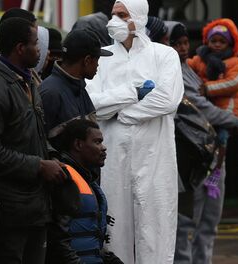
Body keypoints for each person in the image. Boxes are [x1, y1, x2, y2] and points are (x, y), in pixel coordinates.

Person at [84, 0, 184, 263]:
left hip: (154, 157)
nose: (114, 20)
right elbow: (92, 103)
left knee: (156, 229)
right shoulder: (103, 58)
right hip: (113, 156)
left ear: (138, 17)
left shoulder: (164, 55)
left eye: (122, 14)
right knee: (115, 234)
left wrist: (123, 113)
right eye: (113, 14)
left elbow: (167, 99)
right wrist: (132, 94)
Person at [0, 17, 66, 264]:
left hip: (37, 207)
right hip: (13, 211)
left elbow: (34, 133)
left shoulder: (26, 79)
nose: (40, 49)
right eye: (35, 43)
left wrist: (51, 156)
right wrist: (38, 165)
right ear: (19, 48)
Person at [167, 21, 238, 264]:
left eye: (186, 42)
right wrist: (232, 120)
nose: (183, 48)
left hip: (213, 156)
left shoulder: (190, 67)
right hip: (192, 159)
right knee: (189, 219)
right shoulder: (177, 70)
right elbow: (200, 107)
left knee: (209, 217)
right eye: (176, 43)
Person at [45, 119, 122, 264]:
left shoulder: (87, 179)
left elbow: (90, 238)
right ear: (78, 145)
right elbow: (57, 241)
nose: (103, 148)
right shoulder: (64, 179)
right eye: (97, 142)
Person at [40, 29, 113, 149]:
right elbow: (39, 142)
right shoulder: (50, 92)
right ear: (87, 60)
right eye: (97, 60)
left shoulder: (79, 87)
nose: (98, 66)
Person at [187, 18, 238, 120]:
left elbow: (234, 82)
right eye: (213, 41)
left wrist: (208, 88)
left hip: (228, 111)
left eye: (222, 41)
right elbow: (186, 66)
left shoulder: (235, 62)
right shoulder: (200, 59)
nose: (217, 44)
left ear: (230, 44)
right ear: (207, 41)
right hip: (205, 111)